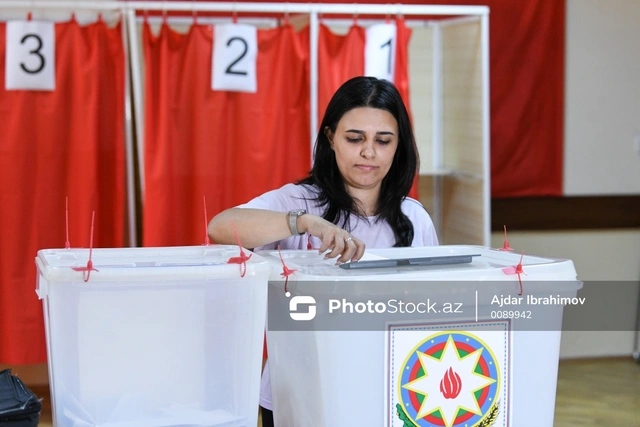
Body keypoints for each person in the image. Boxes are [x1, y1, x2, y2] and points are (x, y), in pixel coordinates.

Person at [208, 76, 438, 427]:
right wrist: (306, 223)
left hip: (391, 392)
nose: (369, 153)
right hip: (297, 395)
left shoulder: (414, 217)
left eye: (384, 140)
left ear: (399, 146)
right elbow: (221, 227)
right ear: (331, 138)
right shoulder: (297, 202)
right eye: (354, 138)